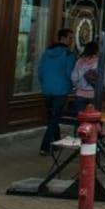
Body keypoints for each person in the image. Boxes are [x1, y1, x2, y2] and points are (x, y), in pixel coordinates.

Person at [37, 28, 76, 156]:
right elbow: (70, 73)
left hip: (47, 89)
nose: (72, 41)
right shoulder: (68, 55)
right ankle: (45, 146)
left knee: (52, 118)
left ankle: (57, 142)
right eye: (70, 38)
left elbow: (40, 71)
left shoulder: (46, 53)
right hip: (61, 90)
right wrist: (72, 86)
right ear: (63, 38)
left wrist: (44, 84)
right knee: (54, 119)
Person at [70, 40, 102, 114]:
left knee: (80, 118)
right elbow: (104, 81)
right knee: (93, 118)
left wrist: (76, 85)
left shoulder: (79, 62)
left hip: (80, 94)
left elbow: (74, 77)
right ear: (96, 51)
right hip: (94, 94)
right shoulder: (100, 63)